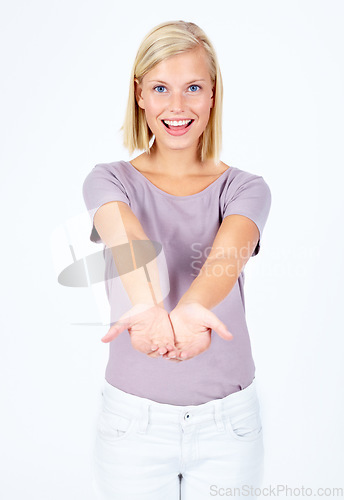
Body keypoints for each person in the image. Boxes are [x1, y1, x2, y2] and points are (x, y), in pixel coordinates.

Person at [82, 20, 272, 500]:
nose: (178, 106)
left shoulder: (246, 188)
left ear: (213, 95)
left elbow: (228, 255)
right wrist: (148, 304)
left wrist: (191, 309)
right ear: (140, 94)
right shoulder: (109, 180)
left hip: (228, 424)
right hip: (133, 424)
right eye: (161, 88)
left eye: (193, 88)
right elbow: (126, 236)